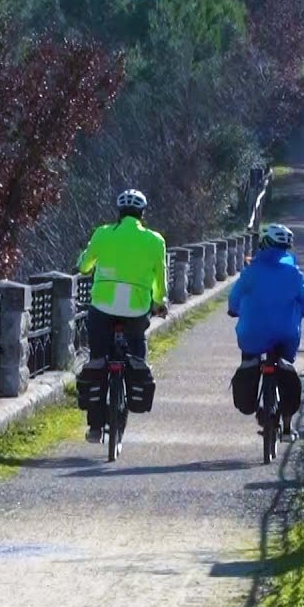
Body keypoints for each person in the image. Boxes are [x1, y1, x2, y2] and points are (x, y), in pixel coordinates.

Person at [75, 189, 169, 444]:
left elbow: (84, 265)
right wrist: (159, 302)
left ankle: (95, 427)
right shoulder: (155, 240)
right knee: (136, 349)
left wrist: (82, 262)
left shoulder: (103, 233)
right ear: (142, 213)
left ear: (119, 212)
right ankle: (135, 372)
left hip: (102, 307)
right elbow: (160, 278)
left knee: (98, 360)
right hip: (136, 310)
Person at [228, 223, 304, 441]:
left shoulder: (251, 271)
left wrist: (233, 309)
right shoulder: (293, 273)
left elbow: (235, 297)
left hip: (252, 334)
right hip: (285, 335)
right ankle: (287, 428)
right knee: (285, 368)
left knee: (250, 361)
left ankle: (254, 393)